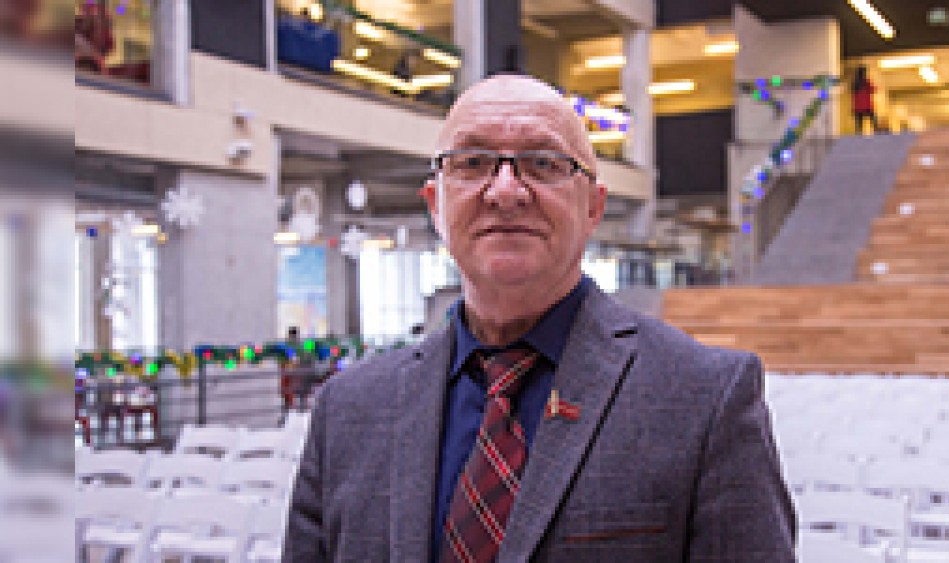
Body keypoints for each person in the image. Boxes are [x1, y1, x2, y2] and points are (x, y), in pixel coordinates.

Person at [283, 75, 795, 562]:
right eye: (472, 162)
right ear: (435, 205)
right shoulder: (347, 412)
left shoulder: (705, 399)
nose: (506, 191)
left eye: (544, 163)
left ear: (593, 207)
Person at [851, 64, 883, 134]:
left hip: (858, 107)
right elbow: (874, 89)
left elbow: (853, 93)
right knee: (873, 120)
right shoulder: (866, 82)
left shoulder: (854, 84)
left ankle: (859, 135)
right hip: (867, 106)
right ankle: (877, 132)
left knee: (859, 125)